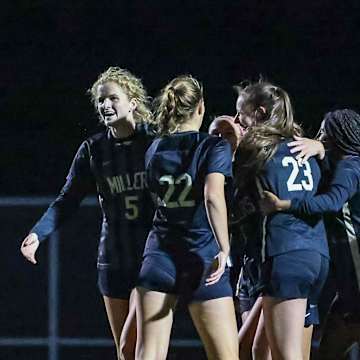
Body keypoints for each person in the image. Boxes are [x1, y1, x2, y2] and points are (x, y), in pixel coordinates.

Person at [20, 67, 155, 360]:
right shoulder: (94, 149)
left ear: (132, 101)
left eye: (113, 98)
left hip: (153, 257)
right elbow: (67, 199)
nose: (105, 105)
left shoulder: (155, 141)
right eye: (101, 100)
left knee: (144, 346)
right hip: (114, 257)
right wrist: (37, 234)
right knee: (125, 350)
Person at [135, 75, 239, 360]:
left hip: (160, 255)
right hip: (201, 254)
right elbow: (212, 195)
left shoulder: (154, 148)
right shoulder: (212, 146)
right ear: (201, 107)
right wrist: (224, 246)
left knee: (149, 354)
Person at [233, 80, 329, 360]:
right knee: (258, 349)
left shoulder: (255, 148)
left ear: (261, 113)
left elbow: (233, 205)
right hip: (317, 254)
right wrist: (322, 148)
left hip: (284, 253)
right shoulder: (305, 147)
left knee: (286, 354)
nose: (238, 120)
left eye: (243, 113)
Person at [260, 109, 360, 359]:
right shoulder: (340, 166)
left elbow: (332, 202)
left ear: (337, 135)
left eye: (325, 132)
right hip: (347, 292)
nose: (319, 136)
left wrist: (284, 205)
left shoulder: (350, 167)